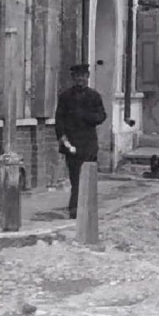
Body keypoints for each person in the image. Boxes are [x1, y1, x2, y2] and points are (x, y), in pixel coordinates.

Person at [54, 64, 107, 219]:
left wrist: (88, 117)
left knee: (89, 176)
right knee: (75, 177)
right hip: (72, 144)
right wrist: (62, 139)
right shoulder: (65, 97)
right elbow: (59, 120)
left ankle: (88, 207)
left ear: (88, 77)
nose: (80, 79)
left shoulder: (94, 96)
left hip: (89, 143)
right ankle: (75, 209)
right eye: (77, 76)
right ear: (73, 78)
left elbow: (102, 116)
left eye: (83, 76)